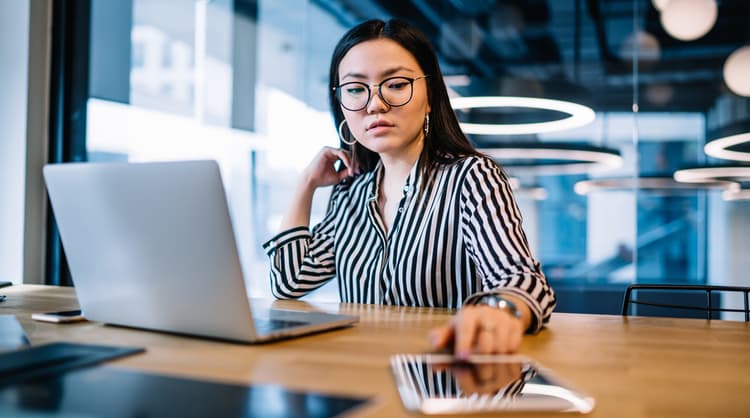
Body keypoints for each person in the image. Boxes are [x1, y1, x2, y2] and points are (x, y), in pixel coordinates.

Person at [263, 18, 555, 357]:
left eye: (396, 84)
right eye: (356, 89)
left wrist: (501, 311)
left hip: (445, 376)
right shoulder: (350, 196)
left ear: (430, 96)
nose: (375, 104)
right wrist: (306, 184)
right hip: (365, 376)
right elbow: (289, 281)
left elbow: (521, 279)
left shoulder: (470, 178)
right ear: (341, 104)